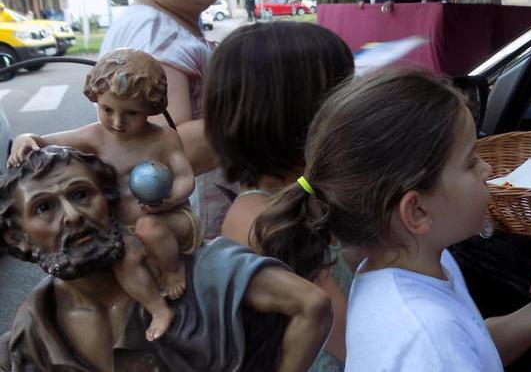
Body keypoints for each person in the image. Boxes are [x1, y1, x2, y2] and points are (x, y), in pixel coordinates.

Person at [254, 69, 531, 372]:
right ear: (417, 212)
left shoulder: (421, 266)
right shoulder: (422, 334)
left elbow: (473, 348)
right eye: (469, 162)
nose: (488, 169)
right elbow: (444, 348)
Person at [0, 145, 332, 372]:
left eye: (81, 195)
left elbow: (312, 305)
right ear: (18, 236)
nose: (72, 216)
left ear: (109, 201)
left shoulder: (207, 273)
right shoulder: (31, 333)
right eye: (44, 207)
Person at [203, 21, 355, 371]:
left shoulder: (308, 192)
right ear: (292, 114)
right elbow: (354, 341)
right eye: (342, 90)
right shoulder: (260, 220)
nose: (355, 102)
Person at [9, 48, 199, 311]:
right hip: (124, 230)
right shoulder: (93, 136)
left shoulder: (163, 138)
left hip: (171, 220)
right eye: (107, 109)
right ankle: (156, 309)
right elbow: (46, 141)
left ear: (150, 106)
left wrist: (168, 201)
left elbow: (185, 178)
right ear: (96, 100)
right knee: (123, 259)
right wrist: (25, 139)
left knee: (149, 227)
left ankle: (173, 269)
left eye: (131, 113)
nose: (117, 122)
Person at [100, 0, 232, 239]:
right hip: (180, 245)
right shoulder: (156, 34)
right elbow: (157, 150)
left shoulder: (160, 22)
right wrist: (271, 103)